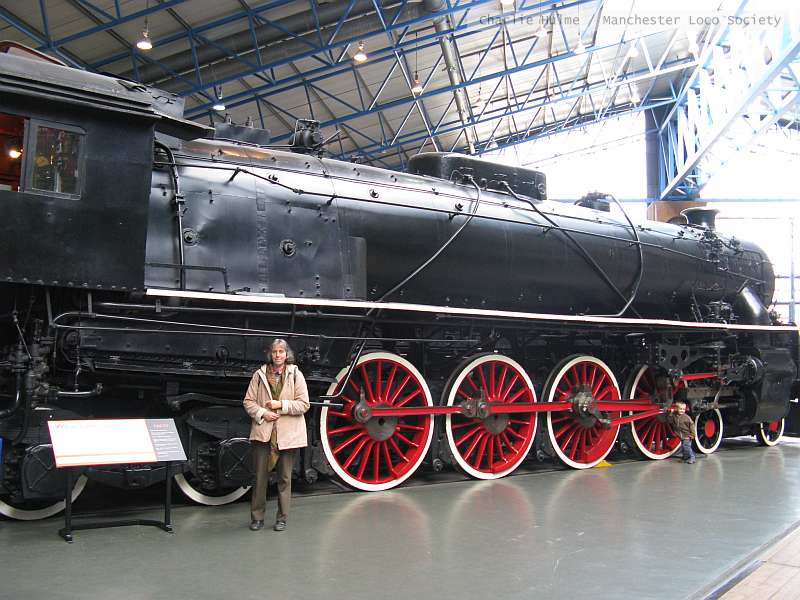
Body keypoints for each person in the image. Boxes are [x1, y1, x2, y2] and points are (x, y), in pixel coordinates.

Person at [243, 339, 310, 531]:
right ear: (270, 354)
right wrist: (263, 413)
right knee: (259, 478)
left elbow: (304, 404)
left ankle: (282, 518)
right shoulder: (259, 375)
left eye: (281, 351)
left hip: (287, 435)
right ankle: (257, 518)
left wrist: (281, 405)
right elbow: (248, 402)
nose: (278, 355)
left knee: (285, 478)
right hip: (264, 433)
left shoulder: (296, 375)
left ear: (286, 354)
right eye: (274, 352)